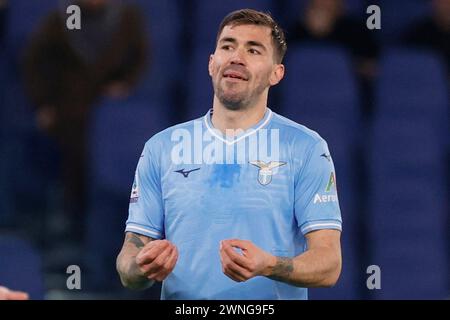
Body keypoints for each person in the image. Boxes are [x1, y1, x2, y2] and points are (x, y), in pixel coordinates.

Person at [116, 9, 342, 299]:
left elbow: (329, 264)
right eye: (227, 46)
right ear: (212, 64)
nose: (237, 56)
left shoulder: (306, 148)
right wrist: (139, 266)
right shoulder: (161, 147)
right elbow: (129, 256)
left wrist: (269, 265)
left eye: (254, 50)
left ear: (277, 73)